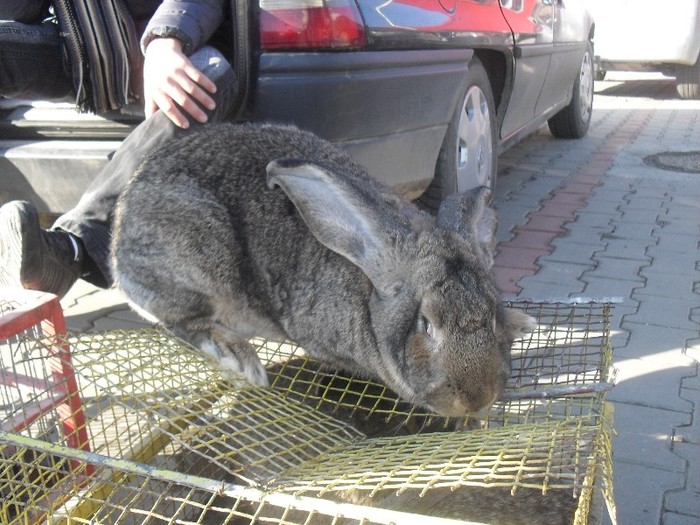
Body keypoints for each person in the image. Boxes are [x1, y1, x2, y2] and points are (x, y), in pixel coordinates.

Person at [0, 0, 236, 297]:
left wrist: (164, 42)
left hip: (180, 47)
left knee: (202, 84)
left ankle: (69, 252)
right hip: (88, 52)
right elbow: (23, 11)